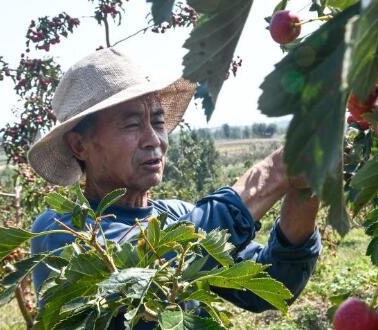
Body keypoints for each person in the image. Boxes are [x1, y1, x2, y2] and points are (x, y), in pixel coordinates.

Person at [28, 48, 321, 327]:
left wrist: (305, 189)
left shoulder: (176, 214)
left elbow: (270, 285)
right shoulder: (60, 231)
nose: (154, 139)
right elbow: (146, 267)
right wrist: (278, 169)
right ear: (80, 145)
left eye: (157, 122)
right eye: (131, 125)